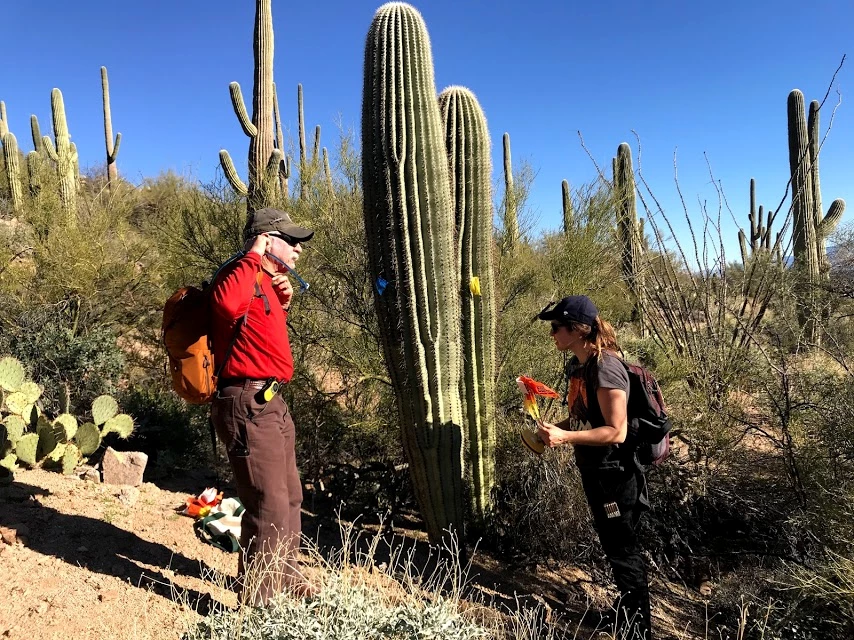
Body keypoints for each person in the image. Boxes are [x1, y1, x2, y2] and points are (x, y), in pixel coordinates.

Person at [209, 206, 315, 606]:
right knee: (266, 502)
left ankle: (285, 575)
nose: (298, 250)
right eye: (291, 241)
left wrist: (282, 299)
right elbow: (224, 307)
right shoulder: (236, 273)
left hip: (271, 402)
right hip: (246, 403)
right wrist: (253, 254)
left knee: (289, 496)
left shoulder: (266, 280)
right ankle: (259, 602)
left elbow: (258, 332)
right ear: (267, 239)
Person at [536, 295, 652, 639]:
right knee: (616, 546)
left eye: (557, 328)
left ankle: (638, 629)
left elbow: (616, 430)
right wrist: (554, 430)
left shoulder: (605, 367)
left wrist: (565, 439)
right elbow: (585, 419)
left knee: (623, 550)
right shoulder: (583, 365)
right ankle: (626, 617)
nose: (552, 334)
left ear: (576, 330)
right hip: (599, 473)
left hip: (615, 476)